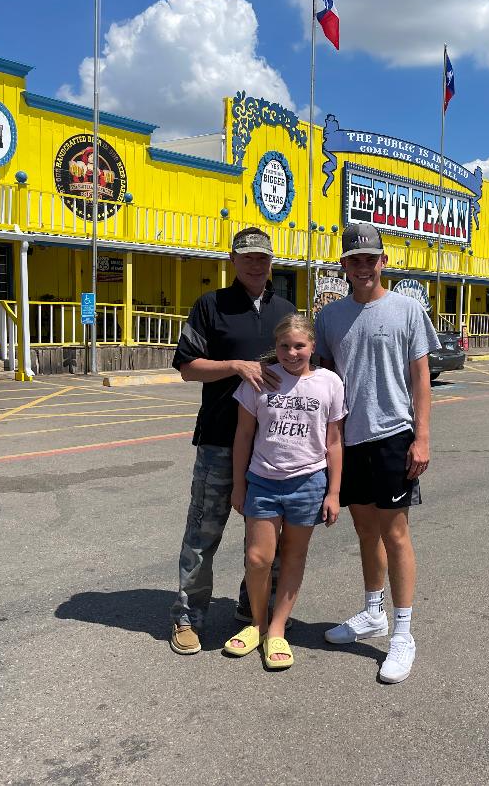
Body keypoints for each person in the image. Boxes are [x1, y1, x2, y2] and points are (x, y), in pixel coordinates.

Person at [314, 222, 440, 684]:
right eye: (355, 260)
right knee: (365, 532)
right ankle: (373, 612)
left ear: (384, 261)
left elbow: (421, 378)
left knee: (395, 535)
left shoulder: (407, 309)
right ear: (344, 265)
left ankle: (403, 633)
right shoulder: (329, 317)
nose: (363, 267)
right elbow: (325, 381)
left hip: (393, 436)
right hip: (349, 440)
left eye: (371, 259)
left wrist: (422, 437)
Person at [169, 227, 295, 655]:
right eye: (247, 257)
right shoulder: (211, 305)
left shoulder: (285, 310)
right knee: (203, 532)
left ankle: (251, 607)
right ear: (233, 261)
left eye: (262, 257)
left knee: (266, 537)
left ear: (271, 261)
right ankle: (189, 617)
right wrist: (236, 366)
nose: (255, 264)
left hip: (272, 445)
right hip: (219, 440)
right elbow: (187, 367)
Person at [223, 314, 346, 669]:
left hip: (309, 482)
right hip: (263, 481)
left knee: (293, 556)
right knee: (258, 559)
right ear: (275, 347)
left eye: (299, 346)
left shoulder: (329, 382)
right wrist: (239, 485)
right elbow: (243, 435)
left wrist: (334, 492)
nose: (292, 353)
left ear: (312, 346)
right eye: (284, 346)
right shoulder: (260, 379)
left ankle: (277, 629)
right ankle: (257, 624)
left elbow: (334, 441)